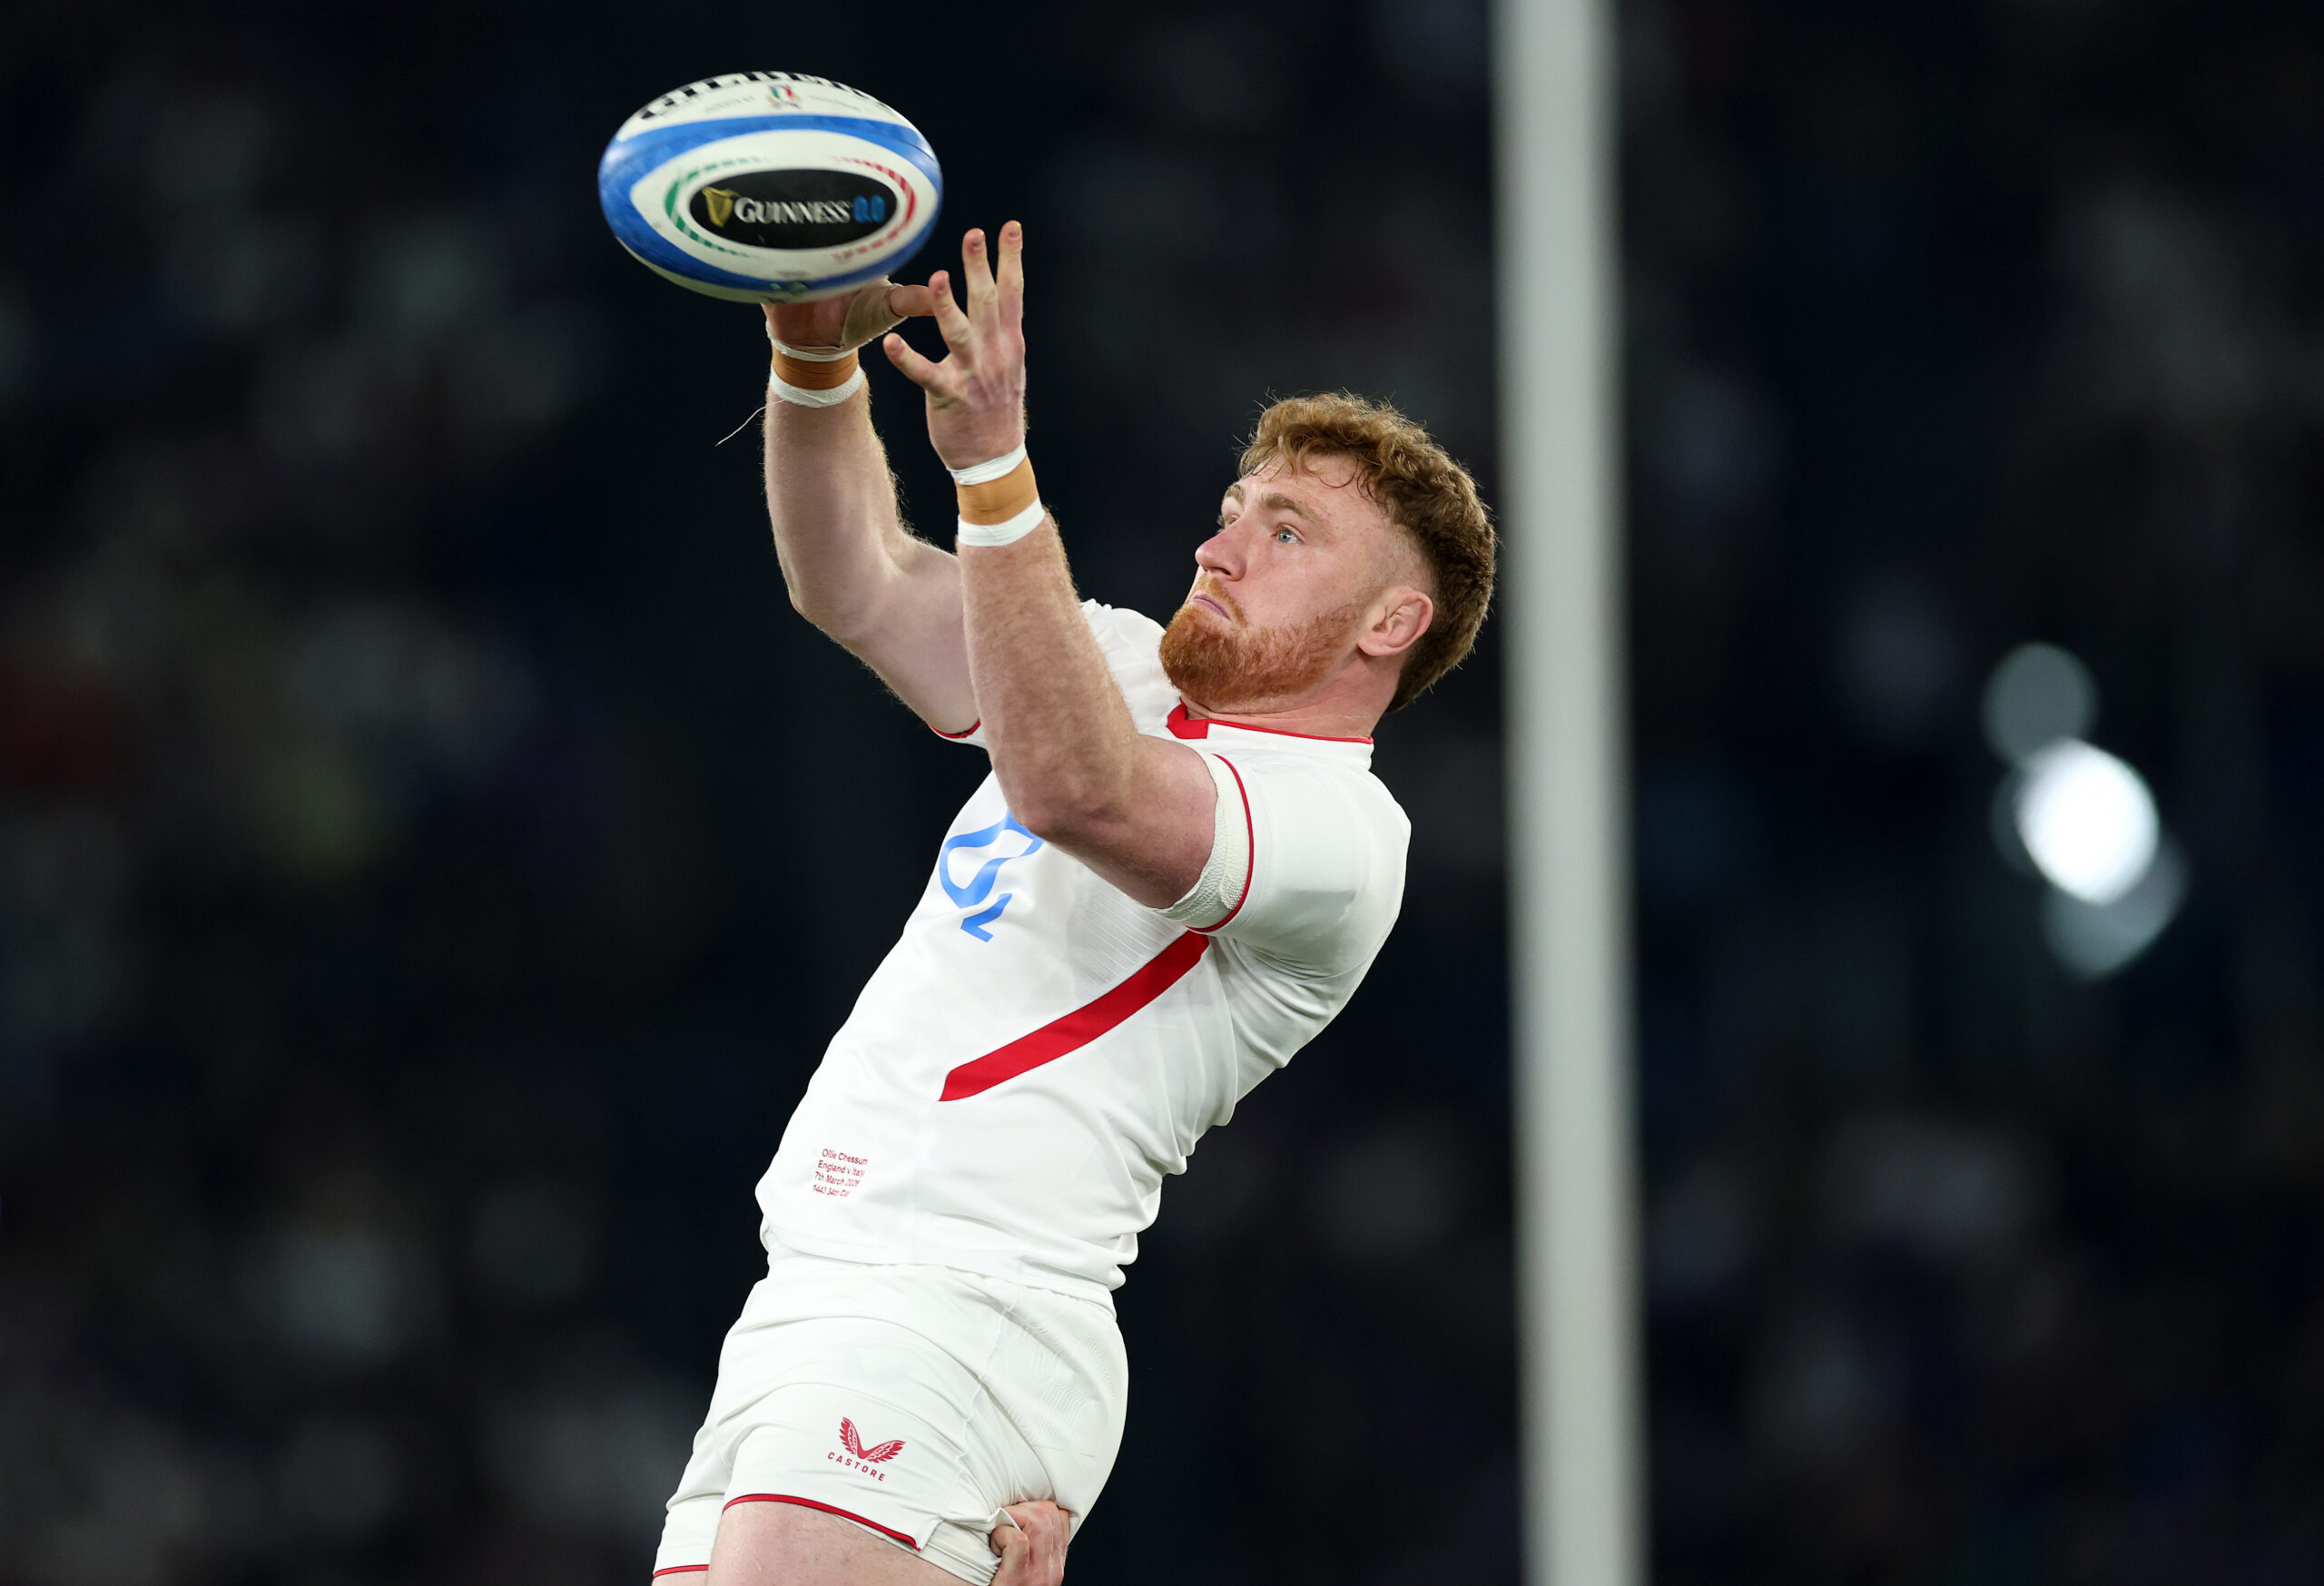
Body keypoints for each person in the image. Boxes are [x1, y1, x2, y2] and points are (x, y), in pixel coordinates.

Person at [649, 222, 1495, 1586]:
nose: (1224, 544)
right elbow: (852, 577)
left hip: (967, 1303)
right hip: (816, 1291)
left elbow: (1075, 791)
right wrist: (812, 372)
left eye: (1288, 532)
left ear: (1388, 625)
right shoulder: (1104, 659)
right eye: (1234, 506)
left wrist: (994, 459)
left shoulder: (1343, 833)